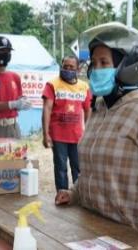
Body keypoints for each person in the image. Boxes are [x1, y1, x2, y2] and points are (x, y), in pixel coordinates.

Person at [55, 22, 138, 245]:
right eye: (94, 63)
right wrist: (74, 193)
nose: (96, 69)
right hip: (92, 229)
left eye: (104, 62)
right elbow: (93, 168)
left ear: (127, 67)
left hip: (129, 236)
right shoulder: (100, 108)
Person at [42, 55, 91, 192]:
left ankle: (79, 196)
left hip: (78, 137)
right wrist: (45, 134)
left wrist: (88, 132)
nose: (68, 70)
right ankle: (62, 195)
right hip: (58, 136)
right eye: (65, 67)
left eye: (71, 67)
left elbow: (88, 110)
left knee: (79, 168)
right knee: (61, 168)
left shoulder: (84, 87)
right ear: (61, 66)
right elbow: (47, 109)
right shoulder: (52, 85)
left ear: (78, 69)